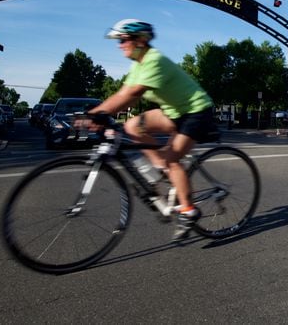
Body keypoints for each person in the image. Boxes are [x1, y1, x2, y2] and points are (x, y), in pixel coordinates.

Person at [83, 19, 217, 239]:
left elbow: (131, 96)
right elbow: (121, 95)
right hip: (174, 112)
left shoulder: (154, 60)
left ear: (140, 40)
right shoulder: (137, 65)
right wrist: (98, 112)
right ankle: (162, 169)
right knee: (132, 125)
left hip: (196, 111)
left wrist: (96, 113)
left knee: (173, 160)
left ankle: (188, 210)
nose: (119, 44)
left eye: (123, 39)